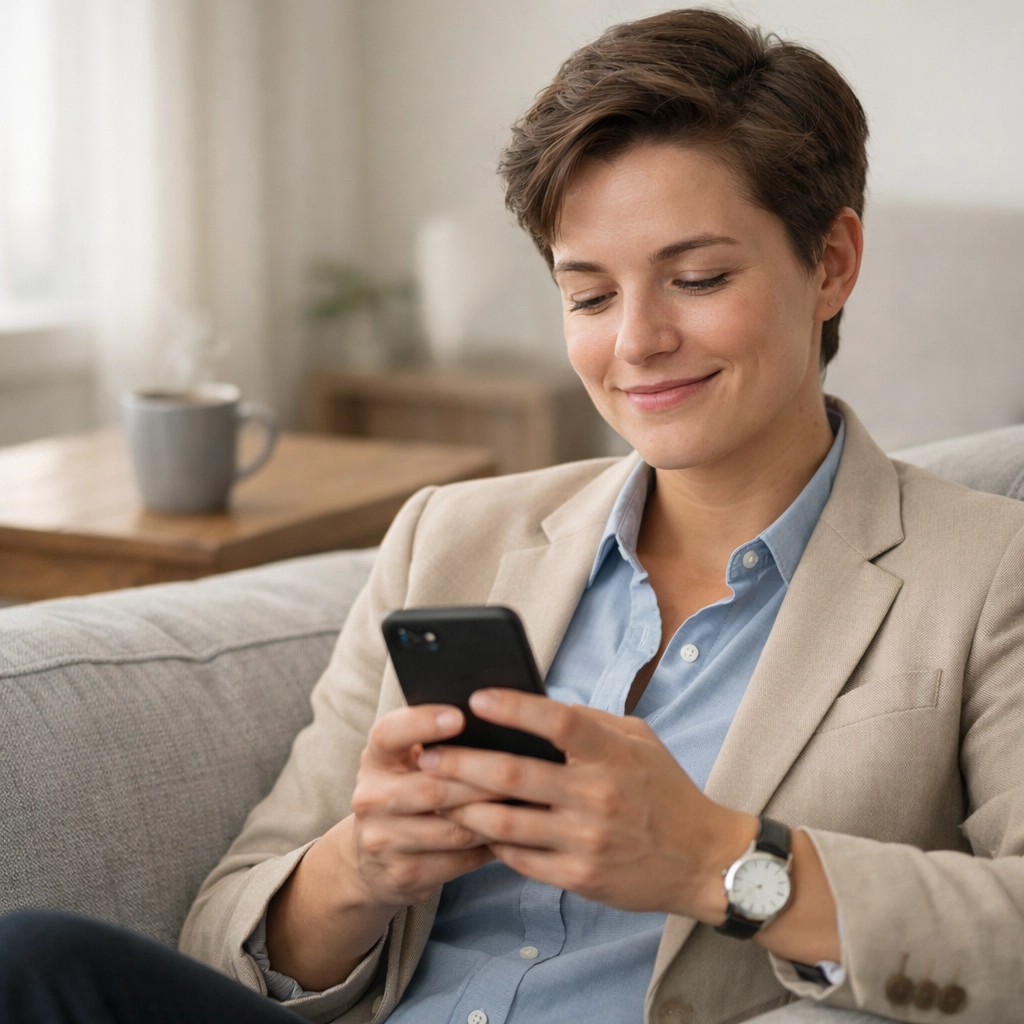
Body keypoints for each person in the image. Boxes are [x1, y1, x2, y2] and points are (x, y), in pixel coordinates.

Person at [2, 8, 1022, 1024]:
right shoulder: (447, 536)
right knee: (35, 960)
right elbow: (229, 933)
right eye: (587, 296)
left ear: (832, 263)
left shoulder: (983, 571)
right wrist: (363, 865)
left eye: (697, 278)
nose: (636, 341)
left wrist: (715, 859)